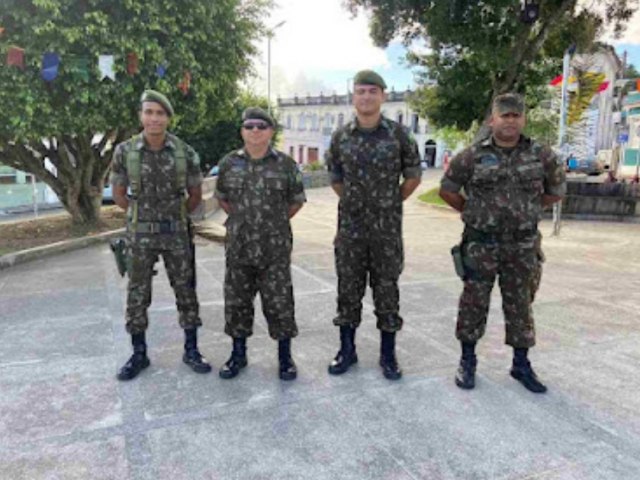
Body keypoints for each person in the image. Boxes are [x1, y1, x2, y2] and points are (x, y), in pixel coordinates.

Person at [439, 93, 566, 394]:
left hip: (522, 246)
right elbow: (448, 189)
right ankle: (467, 361)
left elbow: (556, 190)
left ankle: (521, 364)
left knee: (521, 305)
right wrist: (472, 214)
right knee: (473, 303)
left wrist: (529, 211)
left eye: (515, 116)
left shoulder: (542, 155)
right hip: (481, 245)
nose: (510, 121)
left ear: (523, 119)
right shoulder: (471, 156)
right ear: (492, 119)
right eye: (504, 115)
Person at [325, 70, 422, 380]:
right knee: (347, 290)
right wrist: (356, 201)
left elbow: (413, 176)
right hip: (351, 230)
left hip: (386, 232)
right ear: (353, 97)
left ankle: (388, 355)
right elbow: (336, 177)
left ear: (383, 95)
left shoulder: (398, 135)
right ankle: (347, 351)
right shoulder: (342, 136)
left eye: (372, 91)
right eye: (360, 91)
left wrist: (390, 202)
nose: (366, 97)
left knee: (387, 292)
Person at [111, 90, 211, 381]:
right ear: (141, 115)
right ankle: (138, 353)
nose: (154, 118)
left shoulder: (184, 152)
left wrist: (170, 218)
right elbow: (118, 195)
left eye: (160, 113)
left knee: (186, 290)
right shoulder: (124, 152)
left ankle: (191, 350)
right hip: (140, 237)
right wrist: (142, 218)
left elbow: (194, 196)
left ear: (168, 117)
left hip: (176, 234)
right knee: (137, 293)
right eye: (149, 112)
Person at [215, 107, 306, 381]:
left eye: (261, 126)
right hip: (239, 247)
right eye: (250, 126)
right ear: (242, 131)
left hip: (274, 250)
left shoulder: (286, 165)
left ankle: (285, 358)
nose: (255, 131)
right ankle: (238, 355)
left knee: (279, 303)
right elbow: (222, 198)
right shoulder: (229, 163)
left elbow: (296, 201)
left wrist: (272, 222)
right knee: (237, 302)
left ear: (271, 131)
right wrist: (243, 220)